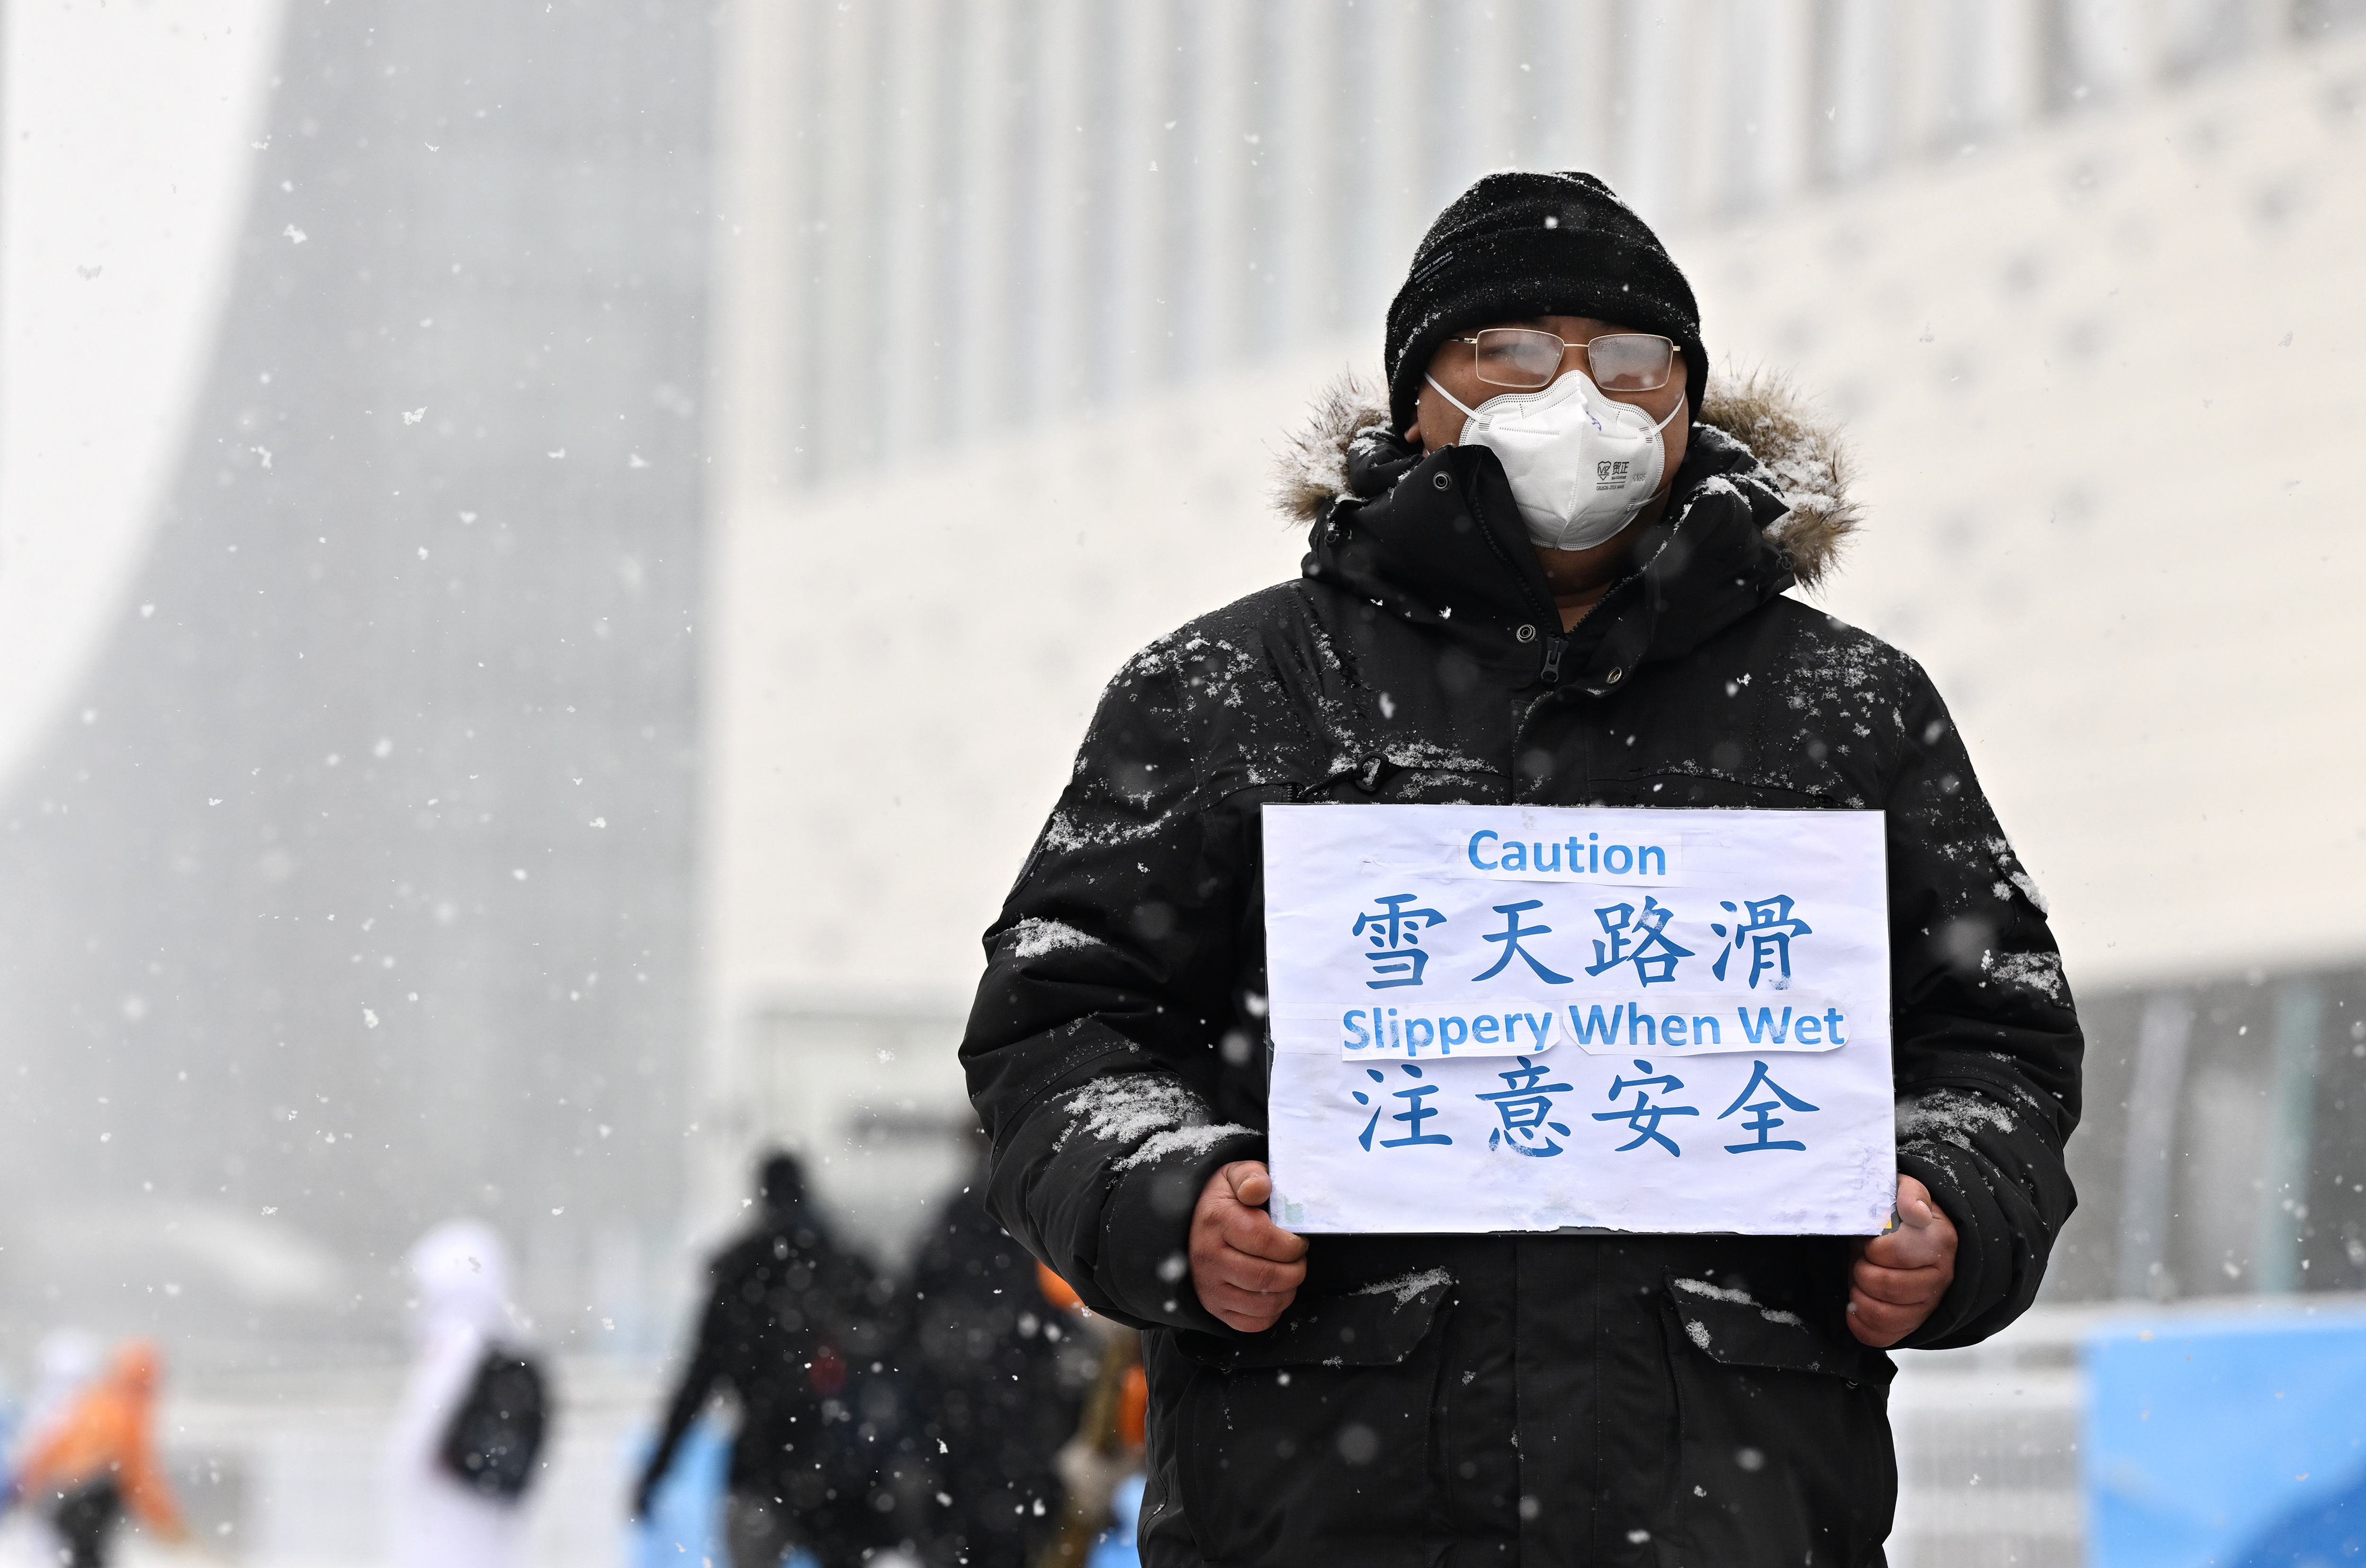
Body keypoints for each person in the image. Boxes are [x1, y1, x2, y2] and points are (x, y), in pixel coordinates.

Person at [960, 170, 2082, 1564]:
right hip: (1324, 1518)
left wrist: (1952, 1204)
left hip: (1728, 1518)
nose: (1577, 398)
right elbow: (1061, 1016)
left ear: (1687, 400)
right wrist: (1170, 1195)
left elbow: (1997, 1028)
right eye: (1508, 354)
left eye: (1627, 362)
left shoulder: (1847, 710)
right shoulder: (1228, 693)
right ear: (1412, 396)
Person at [636, 1151, 880, 1568]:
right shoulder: (845, 1266)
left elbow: (698, 1381)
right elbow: (887, 1362)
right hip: (838, 1473)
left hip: (758, 1467)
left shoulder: (740, 1274)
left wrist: (658, 1471)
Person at [904, 1148, 1095, 1568]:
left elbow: (911, 1314)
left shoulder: (951, 1221)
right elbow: (1057, 1309)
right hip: (1021, 1411)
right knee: (1020, 1534)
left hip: (959, 1416)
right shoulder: (1032, 1219)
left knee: (965, 1533)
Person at [385, 1219, 539, 1568]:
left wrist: (402, 1478)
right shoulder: (508, 1343)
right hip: (489, 1516)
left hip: (447, 1514)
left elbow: (418, 1434)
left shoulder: (457, 1341)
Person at [9, 1340, 190, 1567]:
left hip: (65, 1503)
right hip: (85, 1504)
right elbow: (139, 1473)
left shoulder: (96, 1402)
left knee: (82, 1555)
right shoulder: (127, 1413)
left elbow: (52, 1449)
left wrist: (31, 1486)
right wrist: (168, 1523)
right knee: (89, 1555)